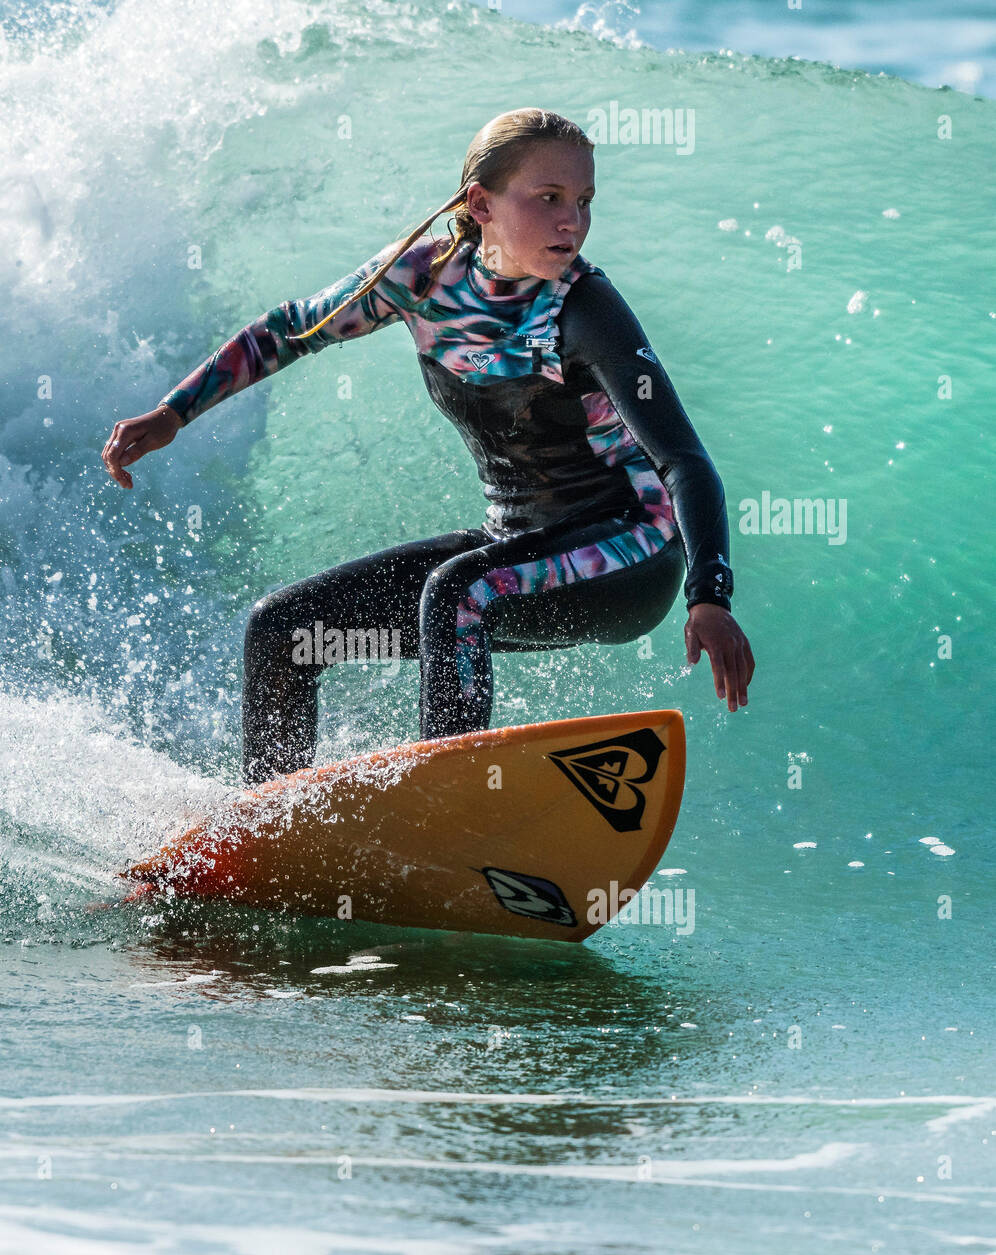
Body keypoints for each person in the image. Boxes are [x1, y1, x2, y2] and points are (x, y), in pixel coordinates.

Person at [103, 108, 754, 785]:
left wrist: (710, 596)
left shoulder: (584, 309)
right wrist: (177, 411)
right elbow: (291, 329)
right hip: (512, 551)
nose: (574, 221)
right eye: (551, 198)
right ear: (481, 204)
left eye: (584, 201)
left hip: (628, 555)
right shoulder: (422, 280)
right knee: (285, 630)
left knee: (457, 591)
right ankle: (267, 832)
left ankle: (449, 804)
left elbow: (683, 461)